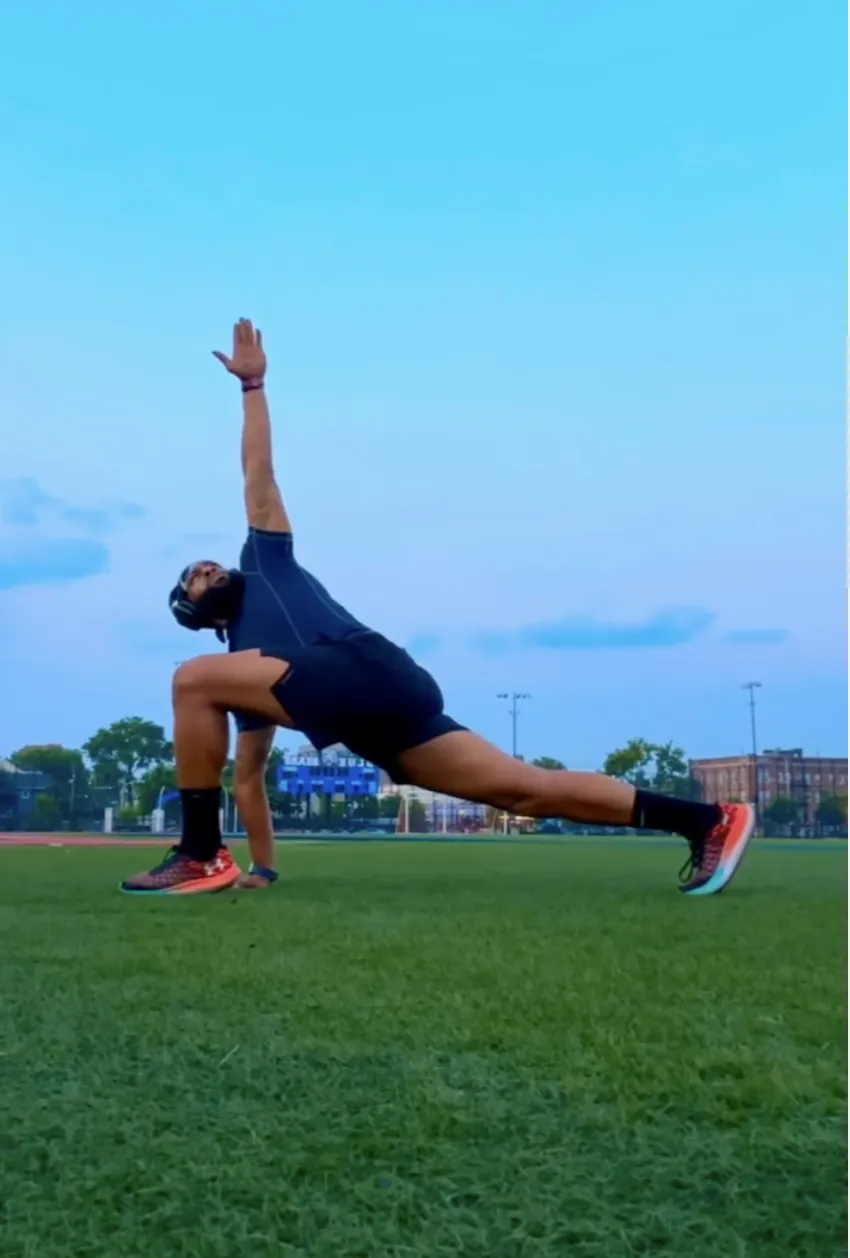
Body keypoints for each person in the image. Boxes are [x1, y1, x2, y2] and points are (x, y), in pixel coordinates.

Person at [121, 320, 754, 898]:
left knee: (188, 680)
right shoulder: (242, 676)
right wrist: (263, 870)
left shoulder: (263, 562)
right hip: (387, 721)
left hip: (363, 667)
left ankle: (200, 852)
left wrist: (253, 386)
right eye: (192, 580)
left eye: (203, 562)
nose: (204, 567)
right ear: (195, 614)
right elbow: (249, 781)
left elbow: (258, 473)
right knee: (523, 788)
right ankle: (705, 821)